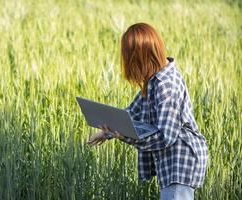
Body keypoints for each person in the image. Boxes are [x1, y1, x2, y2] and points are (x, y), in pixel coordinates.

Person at [87, 23, 209, 200]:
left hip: (180, 161)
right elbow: (130, 114)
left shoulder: (166, 85)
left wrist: (124, 136)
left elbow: (165, 137)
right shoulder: (155, 80)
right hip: (171, 163)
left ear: (141, 56)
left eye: (130, 57)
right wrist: (107, 132)